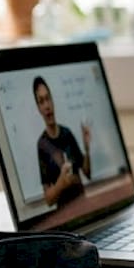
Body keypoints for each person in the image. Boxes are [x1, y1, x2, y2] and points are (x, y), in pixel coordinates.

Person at [33, 76, 91, 206]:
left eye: (48, 98)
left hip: (83, 205)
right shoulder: (42, 145)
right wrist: (61, 183)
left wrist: (87, 147)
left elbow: (87, 173)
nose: (47, 105)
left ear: (53, 101)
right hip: (65, 215)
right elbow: (48, 200)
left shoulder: (67, 133)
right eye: (41, 101)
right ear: (38, 108)